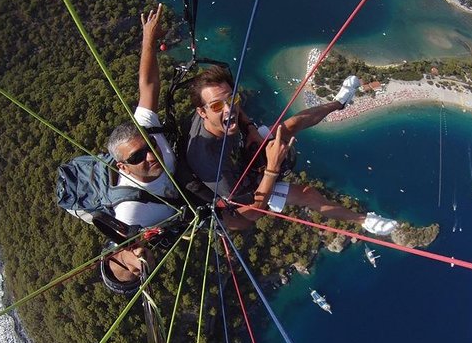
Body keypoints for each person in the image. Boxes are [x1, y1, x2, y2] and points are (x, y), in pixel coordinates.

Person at [186, 66, 435, 241]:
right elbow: (252, 212)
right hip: (243, 195)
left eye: (232, 98)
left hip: (240, 161)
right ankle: (364, 220)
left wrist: (250, 128)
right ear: (202, 112)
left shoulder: (219, 115)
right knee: (307, 194)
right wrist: (272, 166)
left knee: (289, 125)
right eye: (217, 105)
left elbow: (232, 111)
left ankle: (340, 102)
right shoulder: (210, 164)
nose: (229, 108)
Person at [101, 4, 176, 288]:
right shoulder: (131, 209)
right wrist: (131, 263)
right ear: (123, 167)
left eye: (148, 145)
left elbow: (149, 85)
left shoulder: (141, 133)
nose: (150, 154)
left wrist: (149, 37)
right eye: (137, 156)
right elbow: (120, 249)